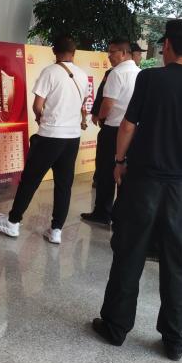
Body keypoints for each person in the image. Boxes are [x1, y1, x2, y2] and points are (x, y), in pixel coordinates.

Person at [91, 19, 182, 360]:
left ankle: (116, 327)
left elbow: (128, 126)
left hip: (143, 184)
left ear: (165, 46)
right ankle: (174, 339)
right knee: (176, 261)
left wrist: (119, 160)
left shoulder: (149, 78)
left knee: (129, 253)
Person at [0, 34, 89, 245]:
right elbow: (82, 105)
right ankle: (56, 230)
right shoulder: (82, 75)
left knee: (30, 180)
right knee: (64, 185)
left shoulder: (50, 72)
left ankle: (13, 222)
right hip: (72, 138)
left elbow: (37, 105)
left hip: (50, 136)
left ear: (54, 51)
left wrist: (39, 117)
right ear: (74, 53)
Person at [82, 38, 139, 227]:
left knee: (106, 172)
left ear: (123, 53)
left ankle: (102, 213)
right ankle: (121, 215)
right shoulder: (140, 73)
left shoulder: (117, 73)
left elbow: (108, 103)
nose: (109, 56)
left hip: (113, 129)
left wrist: (101, 117)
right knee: (124, 173)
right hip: (132, 131)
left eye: (112, 52)